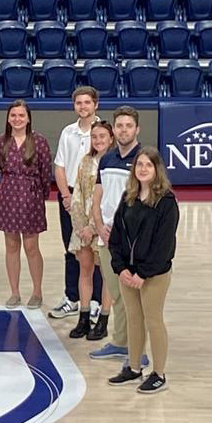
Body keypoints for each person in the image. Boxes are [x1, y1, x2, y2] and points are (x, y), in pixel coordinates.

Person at [107, 148, 179, 394]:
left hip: (154, 274)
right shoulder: (128, 196)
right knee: (134, 319)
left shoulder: (166, 202)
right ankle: (134, 367)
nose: (143, 169)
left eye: (149, 165)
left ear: (157, 169)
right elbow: (116, 236)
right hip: (128, 272)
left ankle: (159, 374)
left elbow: (164, 245)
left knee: (153, 320)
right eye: (139, 165)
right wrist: (121, 268)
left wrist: (143, 273)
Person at [89, 106, 148, 367]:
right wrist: (99, 226)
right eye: (120, 125)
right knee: (116, 294)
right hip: (106, 238)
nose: (124, 130)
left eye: (128, 125)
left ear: (137, 129)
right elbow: (98, 196)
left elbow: (148, 202)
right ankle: (121, 342)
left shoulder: (143, 160)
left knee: (134, 299)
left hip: (130, 241)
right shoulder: (106, 159)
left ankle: (139, 352)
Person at [50, 86, 104, 320]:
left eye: (87, 102)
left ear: (95, 105)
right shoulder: (68, 132)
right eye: (78, 103)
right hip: (72, 197)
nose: (83, 106)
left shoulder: (103, 133)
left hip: (97, 196)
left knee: (96, 250)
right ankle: (72, 298)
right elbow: (60, 166)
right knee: (72, 249)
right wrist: (66, 196)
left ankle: (96, 300)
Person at [0, 100, 53, 309]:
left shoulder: (39, 142)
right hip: (8, 196)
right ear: (8, 118)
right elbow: (2, 168)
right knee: (11, 246)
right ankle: (15, 292)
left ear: (28, 118)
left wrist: (40, 196)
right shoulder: (1, 141)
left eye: (21, 115)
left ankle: (37, 292)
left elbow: (46, 173)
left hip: (31, 197)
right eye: (13, 116)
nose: (17, 119)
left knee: (31, 246)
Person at [66, 121, 116, 340]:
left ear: (111, 139)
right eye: (94, 137)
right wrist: (81, 227)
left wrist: (95, 227)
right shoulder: (85, 161)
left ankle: (103, 320)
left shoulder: (114, 164)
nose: (98, 141)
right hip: (83, 227)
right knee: (84, 270)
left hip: (104, 228)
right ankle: (84, 317)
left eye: (102, 136)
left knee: (106, 275)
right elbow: (78, 194)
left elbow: (112, 200)